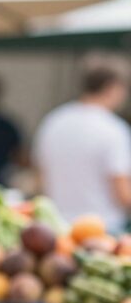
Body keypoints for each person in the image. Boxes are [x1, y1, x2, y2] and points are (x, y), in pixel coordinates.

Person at [33, 63, 131, 231]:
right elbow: (122, 192)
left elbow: (40, 177)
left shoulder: (54, 121)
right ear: (112, 88)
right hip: (104, 228)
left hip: (58, 226)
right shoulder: (114, 129)